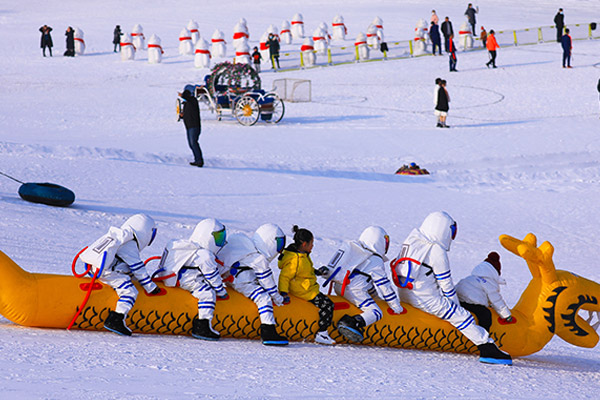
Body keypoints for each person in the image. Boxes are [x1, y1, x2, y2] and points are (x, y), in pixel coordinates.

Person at [392, 211, 512, 365]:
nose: (452, 237)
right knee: (463, 317)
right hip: (426, 299)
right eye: (452, 232)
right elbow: (446, 285)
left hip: (405, 295)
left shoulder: (412, 241)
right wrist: (456, 308)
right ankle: (488, 349)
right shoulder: (436, 250)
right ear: (442, 229)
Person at [78, 214, 162, 336]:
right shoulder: (129, 243)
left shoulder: (119, 236)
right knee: (131, 292)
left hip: (98, 268)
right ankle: (116, 319)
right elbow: (138, 268)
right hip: (109, 272)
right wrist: (150, 287)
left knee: (130, 278)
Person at [319, 226, 403, 343]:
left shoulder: (356, 251)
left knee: (366, 285)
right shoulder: (375, 260)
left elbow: (369, 285)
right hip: (354, 290)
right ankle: (351, 323)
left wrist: (377, 299)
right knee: (376, 313)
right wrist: (395, 306)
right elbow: (384, 285)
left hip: (338, 286)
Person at [154, 219, 229, 340]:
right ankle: (202, 325)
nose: (220, 242)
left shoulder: (187, 247)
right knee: (208, 294)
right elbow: (212, 276)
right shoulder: (204, 255)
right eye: (218, 237)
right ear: (208, 237)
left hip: (176, 278)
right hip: (188, 279)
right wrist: (221, 292)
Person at [217, 223, 289, 345]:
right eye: (279, 244)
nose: (279, 249)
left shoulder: (246, 245)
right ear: (270, 242)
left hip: (232, 279)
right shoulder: (258, 258)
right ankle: (268, 331)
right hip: (242, 282)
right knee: (264, 298)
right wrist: (278, 299)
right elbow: (267, 281)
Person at [278, 226, 336, 345]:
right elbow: (284, 277)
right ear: (304, 244)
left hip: (307, 287)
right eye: (311, 243)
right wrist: (283, 293)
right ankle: (322, 333)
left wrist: (317, 272)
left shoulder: (302, 255)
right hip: (304, 291)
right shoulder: (295, 260)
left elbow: (305, 270)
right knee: (328, 305)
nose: (313, 246)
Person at [456, 252, 513, 332]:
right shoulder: (489, 283)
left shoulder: (472, 278)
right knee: (485, 315)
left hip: (458, 298)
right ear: (495, 273)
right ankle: (484, 336)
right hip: (471, 302)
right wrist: (506, 315)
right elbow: (497, 300)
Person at [178, 88, 203, 167]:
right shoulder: (186, 104)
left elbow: (187, 97)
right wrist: (182, 116)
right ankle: (197, 160)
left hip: (194, 126)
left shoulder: (193, 101)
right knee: (191, 144)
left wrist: (182, 95)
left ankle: (199, 161)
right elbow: (187, 115)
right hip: (189, 126)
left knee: (194, 143)